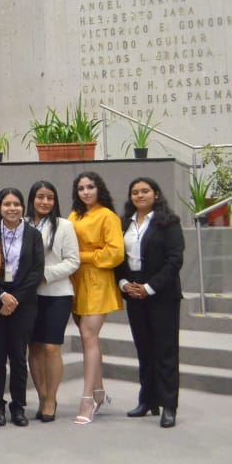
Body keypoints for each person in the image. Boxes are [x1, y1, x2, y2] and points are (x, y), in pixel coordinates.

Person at [117, 176, 184, 429]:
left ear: (156, 194)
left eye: (145, 191)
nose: (140, 195)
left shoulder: (169, 222)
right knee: (144, 349)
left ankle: (169, 405)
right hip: (133, 291)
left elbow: (174, 260)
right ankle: (147, 400)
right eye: (135, 192)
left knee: (165, 351)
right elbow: (118, 257)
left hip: (161, 295)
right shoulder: (125, 223)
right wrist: (124, 284)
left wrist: (149, 287)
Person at [69, 172, 125, 425]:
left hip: (98, 281)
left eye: (90, 187)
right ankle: (99, 391)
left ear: (99, 188)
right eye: (81, 188)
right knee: (87, 340)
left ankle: (87, 399)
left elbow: (115, 254)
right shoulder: (74, 215)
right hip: (76, 281)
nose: (86, 192)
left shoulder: (108, 216)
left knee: (88, 337)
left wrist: (84, 256)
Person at [0, 188, 45, 427]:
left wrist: (15, 299)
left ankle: (18, 406)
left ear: (23, 207)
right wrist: (1, 295)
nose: (12, 208)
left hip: (24, 304)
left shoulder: (33, 234)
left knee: (19, 357)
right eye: (7, 204)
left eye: (17, 204)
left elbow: (36, 271)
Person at [25, 180, 80, 422]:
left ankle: (51, 399)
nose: (45, 202)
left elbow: (72, 261)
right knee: (34, 347)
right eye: (40, 197)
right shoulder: (23, 224)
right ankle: (41, 396)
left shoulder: (65, 226)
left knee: (50, 347)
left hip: (56, 293)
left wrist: (44, 276)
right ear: (32, 199)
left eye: (49, 197)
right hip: (28, 296)